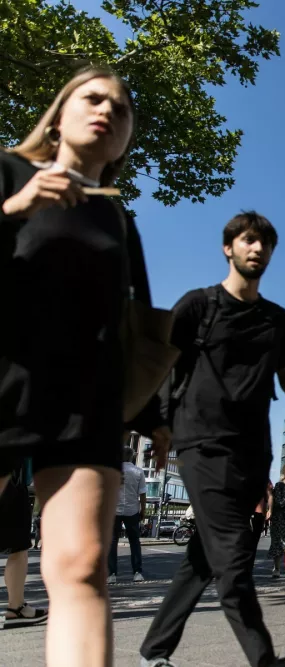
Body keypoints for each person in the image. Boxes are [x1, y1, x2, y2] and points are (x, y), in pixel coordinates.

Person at [0, 67, 168, 665]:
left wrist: (155, 418)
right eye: (92, 98)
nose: (106, 111)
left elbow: (140, 328)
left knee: (81, 567)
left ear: (127, 137)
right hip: (5, 381)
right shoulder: (9, 172)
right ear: (59, 112)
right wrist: (16, 208)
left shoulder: (119, 218)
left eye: (121, 109)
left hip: (86, 399)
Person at [139, 211, 285, 667]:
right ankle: (264, 659)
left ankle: (153, 652)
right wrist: (160, 427)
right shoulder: (197, 306)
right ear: (229, 247)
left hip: (251, 451)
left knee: (205, 555)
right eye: (248, 240)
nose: (257, 249)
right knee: (233, 560)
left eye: (265, 244)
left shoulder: (275, 319)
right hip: (202, 444)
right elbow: (162, 365)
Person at [0, 460, 48, 628]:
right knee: (19, 546)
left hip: (12, 477)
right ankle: (16, 607)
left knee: (19, 545)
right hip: (9, 475)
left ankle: (17, 608)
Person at [108, 445, 147, 584]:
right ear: (132, 457)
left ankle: (111, 574)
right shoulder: (138, 472)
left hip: (114, 510)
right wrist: (143, 509)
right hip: (132, 510)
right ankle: (137, 572)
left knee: (112, 542)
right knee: (134, 541)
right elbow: (142, 493)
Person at [251, 480, 273, 556]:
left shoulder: (264, 477)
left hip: (259, 512)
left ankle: (249, 562)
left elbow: (269, 494)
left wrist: (270, 509)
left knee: (254, 539)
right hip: (243, 512)